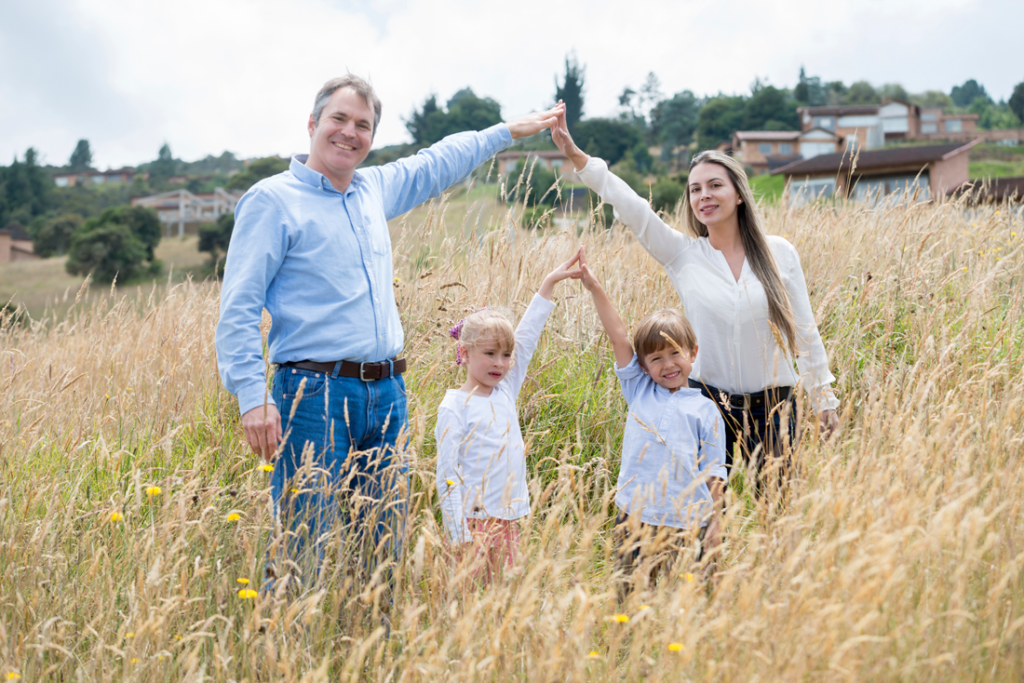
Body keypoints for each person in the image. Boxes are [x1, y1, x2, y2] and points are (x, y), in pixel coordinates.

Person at [215, 74, 564, 592]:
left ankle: (369, 652)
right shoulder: (273, 201)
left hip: (388, 393)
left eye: (363, 125)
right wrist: (251, 396)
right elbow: (239, 306)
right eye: (338, 119)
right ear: (313, 124)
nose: (349, 133)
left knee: (383, 545)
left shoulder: (372, 189)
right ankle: (283, 657)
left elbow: (436, 162)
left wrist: (505, 132)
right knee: (302, 540)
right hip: (313, 395)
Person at [551, 105, 839, 499]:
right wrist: (577, 156)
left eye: (715, 185)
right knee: (703, 517)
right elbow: (634, 209)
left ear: (738, 194)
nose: (704, 195)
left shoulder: (779, 253)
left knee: (778, 517)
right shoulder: (682, 255)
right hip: (707, 406)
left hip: (775, 409)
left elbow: (805, 330)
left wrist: (824, 397)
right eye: (695, 189)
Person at [575, 249, 726, 599]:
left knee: (693, 598)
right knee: (628, 595)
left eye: (676, 353)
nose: (668, 364)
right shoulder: (640, 390)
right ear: (642, 366)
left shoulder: (705, 409)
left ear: (693, 353)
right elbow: (618, 336)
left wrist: (715, 522)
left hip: (689, 521)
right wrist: (595, 287)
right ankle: (627, 649)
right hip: (635, 515)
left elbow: (715, 470)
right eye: (656, 358)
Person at [435, 249, 584, 583]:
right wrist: (459, 534)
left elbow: (527, 337)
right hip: (471, 525)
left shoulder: (505, 391)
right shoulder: (454, 407)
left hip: (508, 520)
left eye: (505, 355)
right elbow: (446, 475)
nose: (499, 364)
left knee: (506, 596)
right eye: (489, 354)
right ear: (464, 352)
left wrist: (548, 285)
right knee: (469, 598)